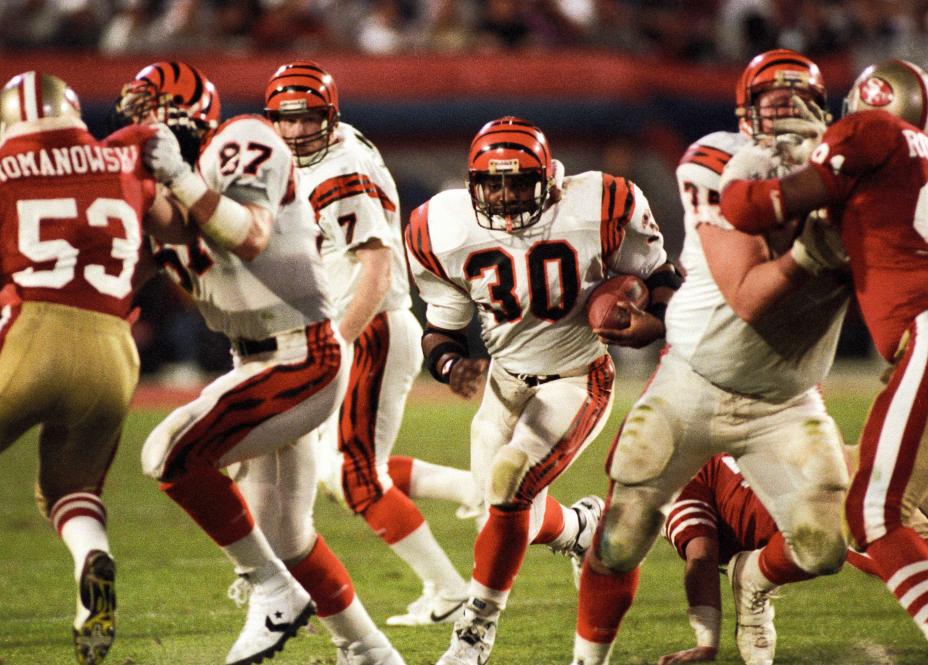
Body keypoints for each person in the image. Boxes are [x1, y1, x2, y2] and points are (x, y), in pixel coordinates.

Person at [114, 61, 405, 665]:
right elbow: (158, 240)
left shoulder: (241, 141)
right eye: (133, 115)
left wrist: (174, 176)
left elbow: (247, 234)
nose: (140, 127)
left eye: (150, 113)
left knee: (168, 452)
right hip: (260, 360)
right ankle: (371, 652)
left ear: (185, 113)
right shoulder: (179, 184)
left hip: (300, 355)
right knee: (287, 537)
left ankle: (272, 591)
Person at [571, 49, 853, 665]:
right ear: (743, 116)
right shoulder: (716, 160)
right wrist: (820, 248)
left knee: (822, 547)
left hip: (784, 397)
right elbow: (748, 297)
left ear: (824, 111)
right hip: (692, 382)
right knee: (619, 539)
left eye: (798, 104)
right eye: (770, 106)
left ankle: (752, 578)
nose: (785, 120)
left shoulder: (858, 174)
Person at [405, 115, 678, 665]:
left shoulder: (600, 204)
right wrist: (450, 365)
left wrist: (654, 323)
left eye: (518, 183)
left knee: (509, 486)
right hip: (504, 383)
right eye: (493, 184)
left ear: (550, 180)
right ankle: (580, 527)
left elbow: (661, 278)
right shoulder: (440, 225)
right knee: (503, 514)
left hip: (577, 379)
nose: (504, 197)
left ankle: (474, 632)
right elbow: (441, 327)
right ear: (471, 183)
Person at [243, 60, 474, 630]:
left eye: (307, 119)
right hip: (361, 322)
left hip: (368, 325)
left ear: (331, 117)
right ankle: (479, 489)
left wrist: (338, 343)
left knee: (353, 476)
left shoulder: (339, 172)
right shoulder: (336, 145)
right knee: (337, 467)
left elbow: (374, 265)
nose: (295, 132)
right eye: (285, 120)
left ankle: (449, 590)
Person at [0, 70, 186, 665]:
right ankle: (91, 558)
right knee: (70, 489)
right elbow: (180, 231)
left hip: (32, 332)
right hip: (115, 349)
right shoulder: (122, 157)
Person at [719, 57, 928, 644]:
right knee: (901, 508)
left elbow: (748, 207)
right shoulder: (912, 165)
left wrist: (743, 171)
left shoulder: (870, 132)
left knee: (873, 515)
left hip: (927, 339)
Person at [658, 450, 921, 665]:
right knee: (872, 542)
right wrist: (706, 640)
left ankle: (752, 576)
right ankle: (752, 578)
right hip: (796, 512)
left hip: (809, 479)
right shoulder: (674, 482)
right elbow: (701, 556)